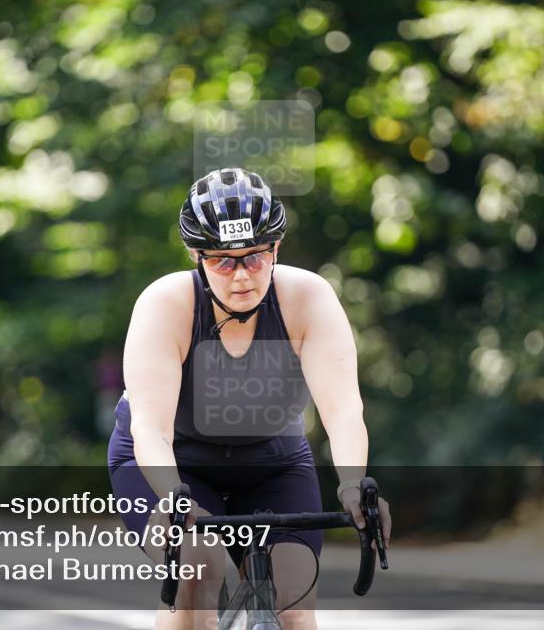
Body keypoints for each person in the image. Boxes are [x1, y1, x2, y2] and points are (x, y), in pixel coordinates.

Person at [107, 167, 391, 630]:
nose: (240, 276)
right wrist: (173, 499)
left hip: (271, 462)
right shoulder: (166, 304)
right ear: (196, 257)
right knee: (198, 573)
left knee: (295, 603)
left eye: (255, 258)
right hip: (177, 462)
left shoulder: (308, 298)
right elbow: (151, 429)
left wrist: (353, 486)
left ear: (276, 247)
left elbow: (341, 411)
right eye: (222, 260)